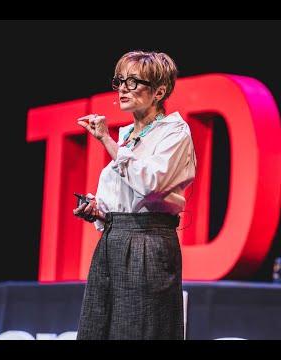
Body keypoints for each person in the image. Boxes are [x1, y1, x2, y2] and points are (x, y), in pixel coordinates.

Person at [73, 50, 196, 340]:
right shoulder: (128, 134)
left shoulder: (174, 131)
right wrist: (99, 211)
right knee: (98, 330)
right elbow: (125, 192)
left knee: (139, 330)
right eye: (120, 81)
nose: (123, 89)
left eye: (133, 81)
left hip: (147, 243)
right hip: (113, 241)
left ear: (159, 92)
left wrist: (106, 139)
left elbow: (152, 184)